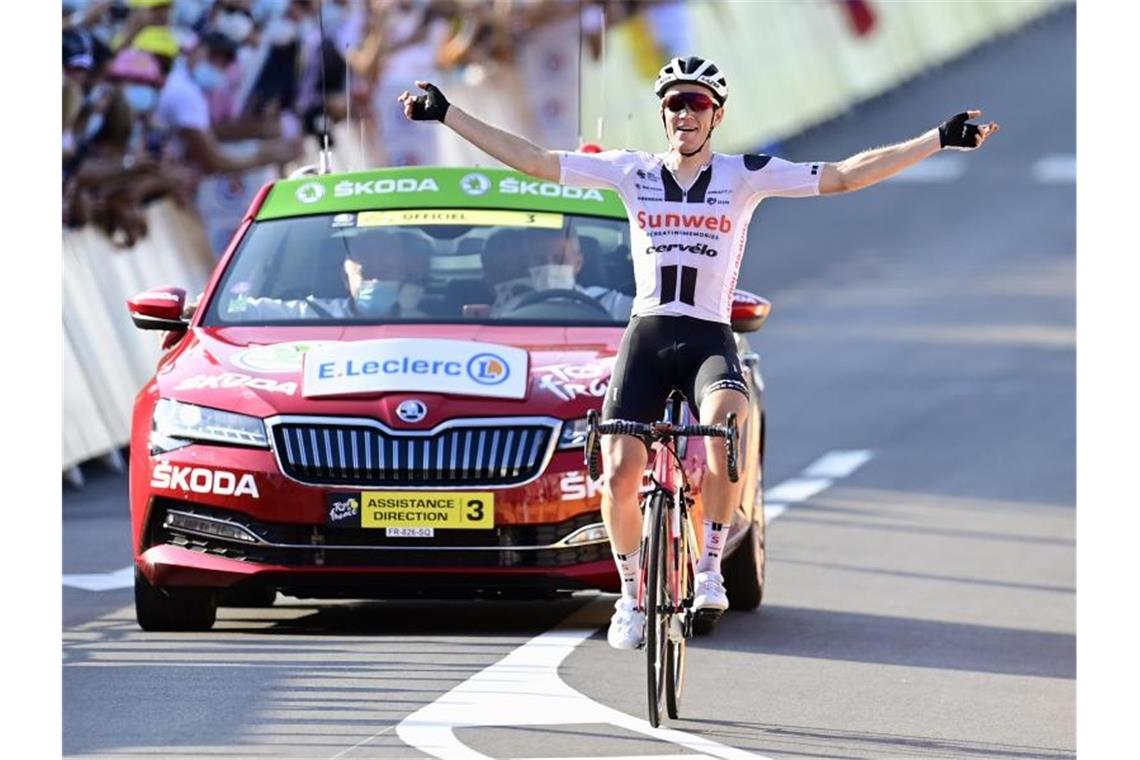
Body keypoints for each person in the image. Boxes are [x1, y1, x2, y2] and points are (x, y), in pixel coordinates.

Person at [399, 55, 1000, 649]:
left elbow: (844, 175)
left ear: (716, 116)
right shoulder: (629, 171)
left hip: (707, 337)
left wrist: (937, 139)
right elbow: (533, 161)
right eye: (673, 104)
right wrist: (448, 113)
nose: (684, 114)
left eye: (697, 104)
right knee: (617, 473)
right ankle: (632, 598)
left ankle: (709, 569)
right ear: (663, 115)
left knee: (724, 427)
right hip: (648, 336)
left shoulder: (746, 175)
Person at [227, 230, 431, 320]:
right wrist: (238, 284)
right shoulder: (313, 316)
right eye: (366, 273)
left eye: (386, 273)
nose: (376, 281)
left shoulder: (426, 327)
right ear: (345, 278)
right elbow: (235, 311)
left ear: (404, 276)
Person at [482, 226, 632, 319]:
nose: (549, 266)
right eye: (540, 260)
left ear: (578, 263)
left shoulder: (612, 304)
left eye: (559, 259)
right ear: (529, 265)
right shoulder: (511, 308)